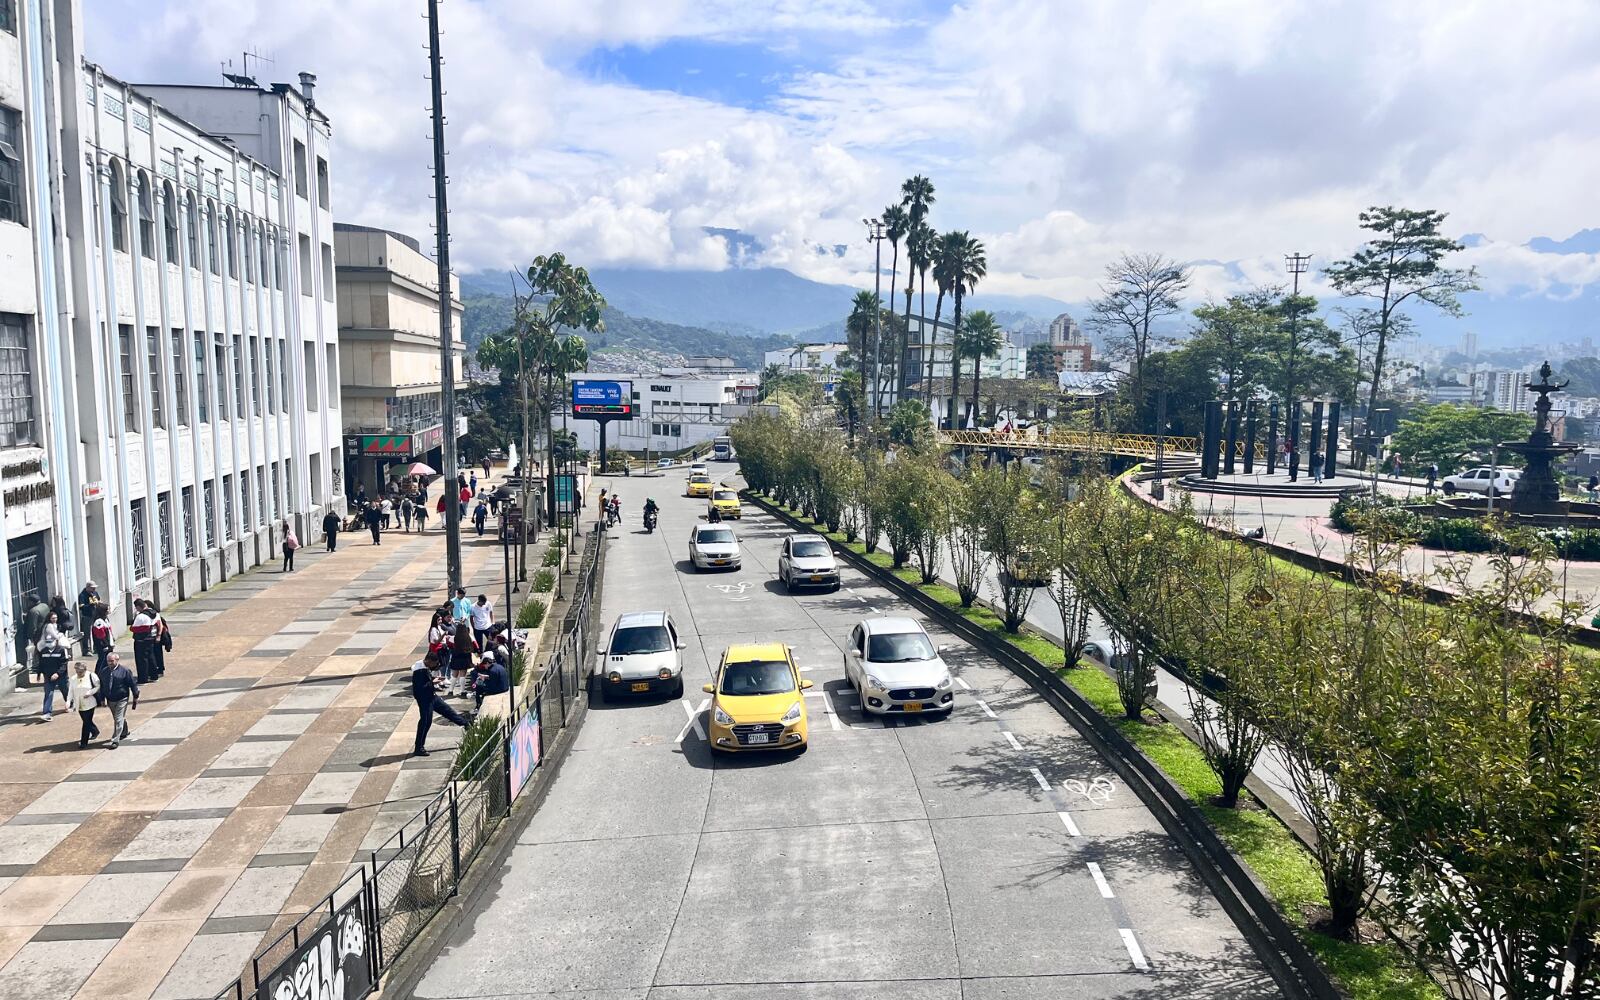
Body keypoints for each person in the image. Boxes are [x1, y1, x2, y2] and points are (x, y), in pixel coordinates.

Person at [412, 653, 469, 757]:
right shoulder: (419, 671)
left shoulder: (425, 667)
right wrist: (433, 682)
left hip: (432, 697)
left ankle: (465, 724)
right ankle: (419, 747)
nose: (435, 665)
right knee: (425, 722)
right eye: (434, 663)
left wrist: (433, 680)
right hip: (425, 700)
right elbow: (419, 688)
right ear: (429, 661)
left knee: (448, 711)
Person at [102, 651, 139, 747]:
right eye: (108, 661)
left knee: (118, 719)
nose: (110, 663)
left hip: (122, 698)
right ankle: (124, 731)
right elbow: (101, 686)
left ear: (117, 660)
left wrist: (135, 696)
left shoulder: (125, 671)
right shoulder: (104, 671)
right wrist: (102, 699)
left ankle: (115, 740)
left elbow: (132, 684)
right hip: (110, 699)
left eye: (112, 661)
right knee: (118, 717)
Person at [36, 613, 68, 721]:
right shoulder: (43, 651)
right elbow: (41, 663)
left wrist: (58, 673)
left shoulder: (60, 650)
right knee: (48, 693)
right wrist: (39, 673)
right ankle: (47, 713)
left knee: (65, 690)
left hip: (61, 675)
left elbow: (64, 664)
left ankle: (70, 703)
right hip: (48, 675)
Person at [67, 660, 101, 749]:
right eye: (77, 672)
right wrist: (68, 702)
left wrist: (90, 692)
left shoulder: (91, 676)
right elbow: (71, 691)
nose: (79, 673)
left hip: (90, 703)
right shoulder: (74, 678)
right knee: (87, 721)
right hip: (79, 703)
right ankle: (95, 731)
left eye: (81, 672)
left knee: (86, 722)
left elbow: (98, 686)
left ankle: (83, 742)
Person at [130, 599, 160, 684]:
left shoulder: (141, 616)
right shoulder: (155, 613)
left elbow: (133, 628)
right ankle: (154, 676)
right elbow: (157, 624)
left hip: (141, 640)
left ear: (139, 607)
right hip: (151, 638)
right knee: (151, 657)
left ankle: (143, 678)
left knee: (141, 660)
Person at [449, 622, 477, 697]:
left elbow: (450, 646)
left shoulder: (453, 638)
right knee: (462, 675)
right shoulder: (470, 637)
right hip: (466, 657)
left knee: (454, 674)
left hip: (456, 657)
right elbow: (476, 647)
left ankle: (451, 690)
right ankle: (462, 691)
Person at [77, 581, 100, 655]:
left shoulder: (95, 593)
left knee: (96, 631)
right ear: (88, 588)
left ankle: (96, 647)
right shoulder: (82, 595)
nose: (94, 590)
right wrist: (90, 605)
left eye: (94, 588)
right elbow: (81, 606)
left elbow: (99, 600)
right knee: (87, 633)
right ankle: (87, 650)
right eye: (92, 588)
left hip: (95, 615)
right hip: (87, 616)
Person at [90, 602, 113, 675]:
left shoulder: (105, 620)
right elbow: (100, 635)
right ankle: (98, 675)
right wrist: (105, 645)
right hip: (103, 646)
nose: (109, 611)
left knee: (106, 661)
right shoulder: (98, 622)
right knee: (102, 661)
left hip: (108, 644)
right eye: (108, 609)